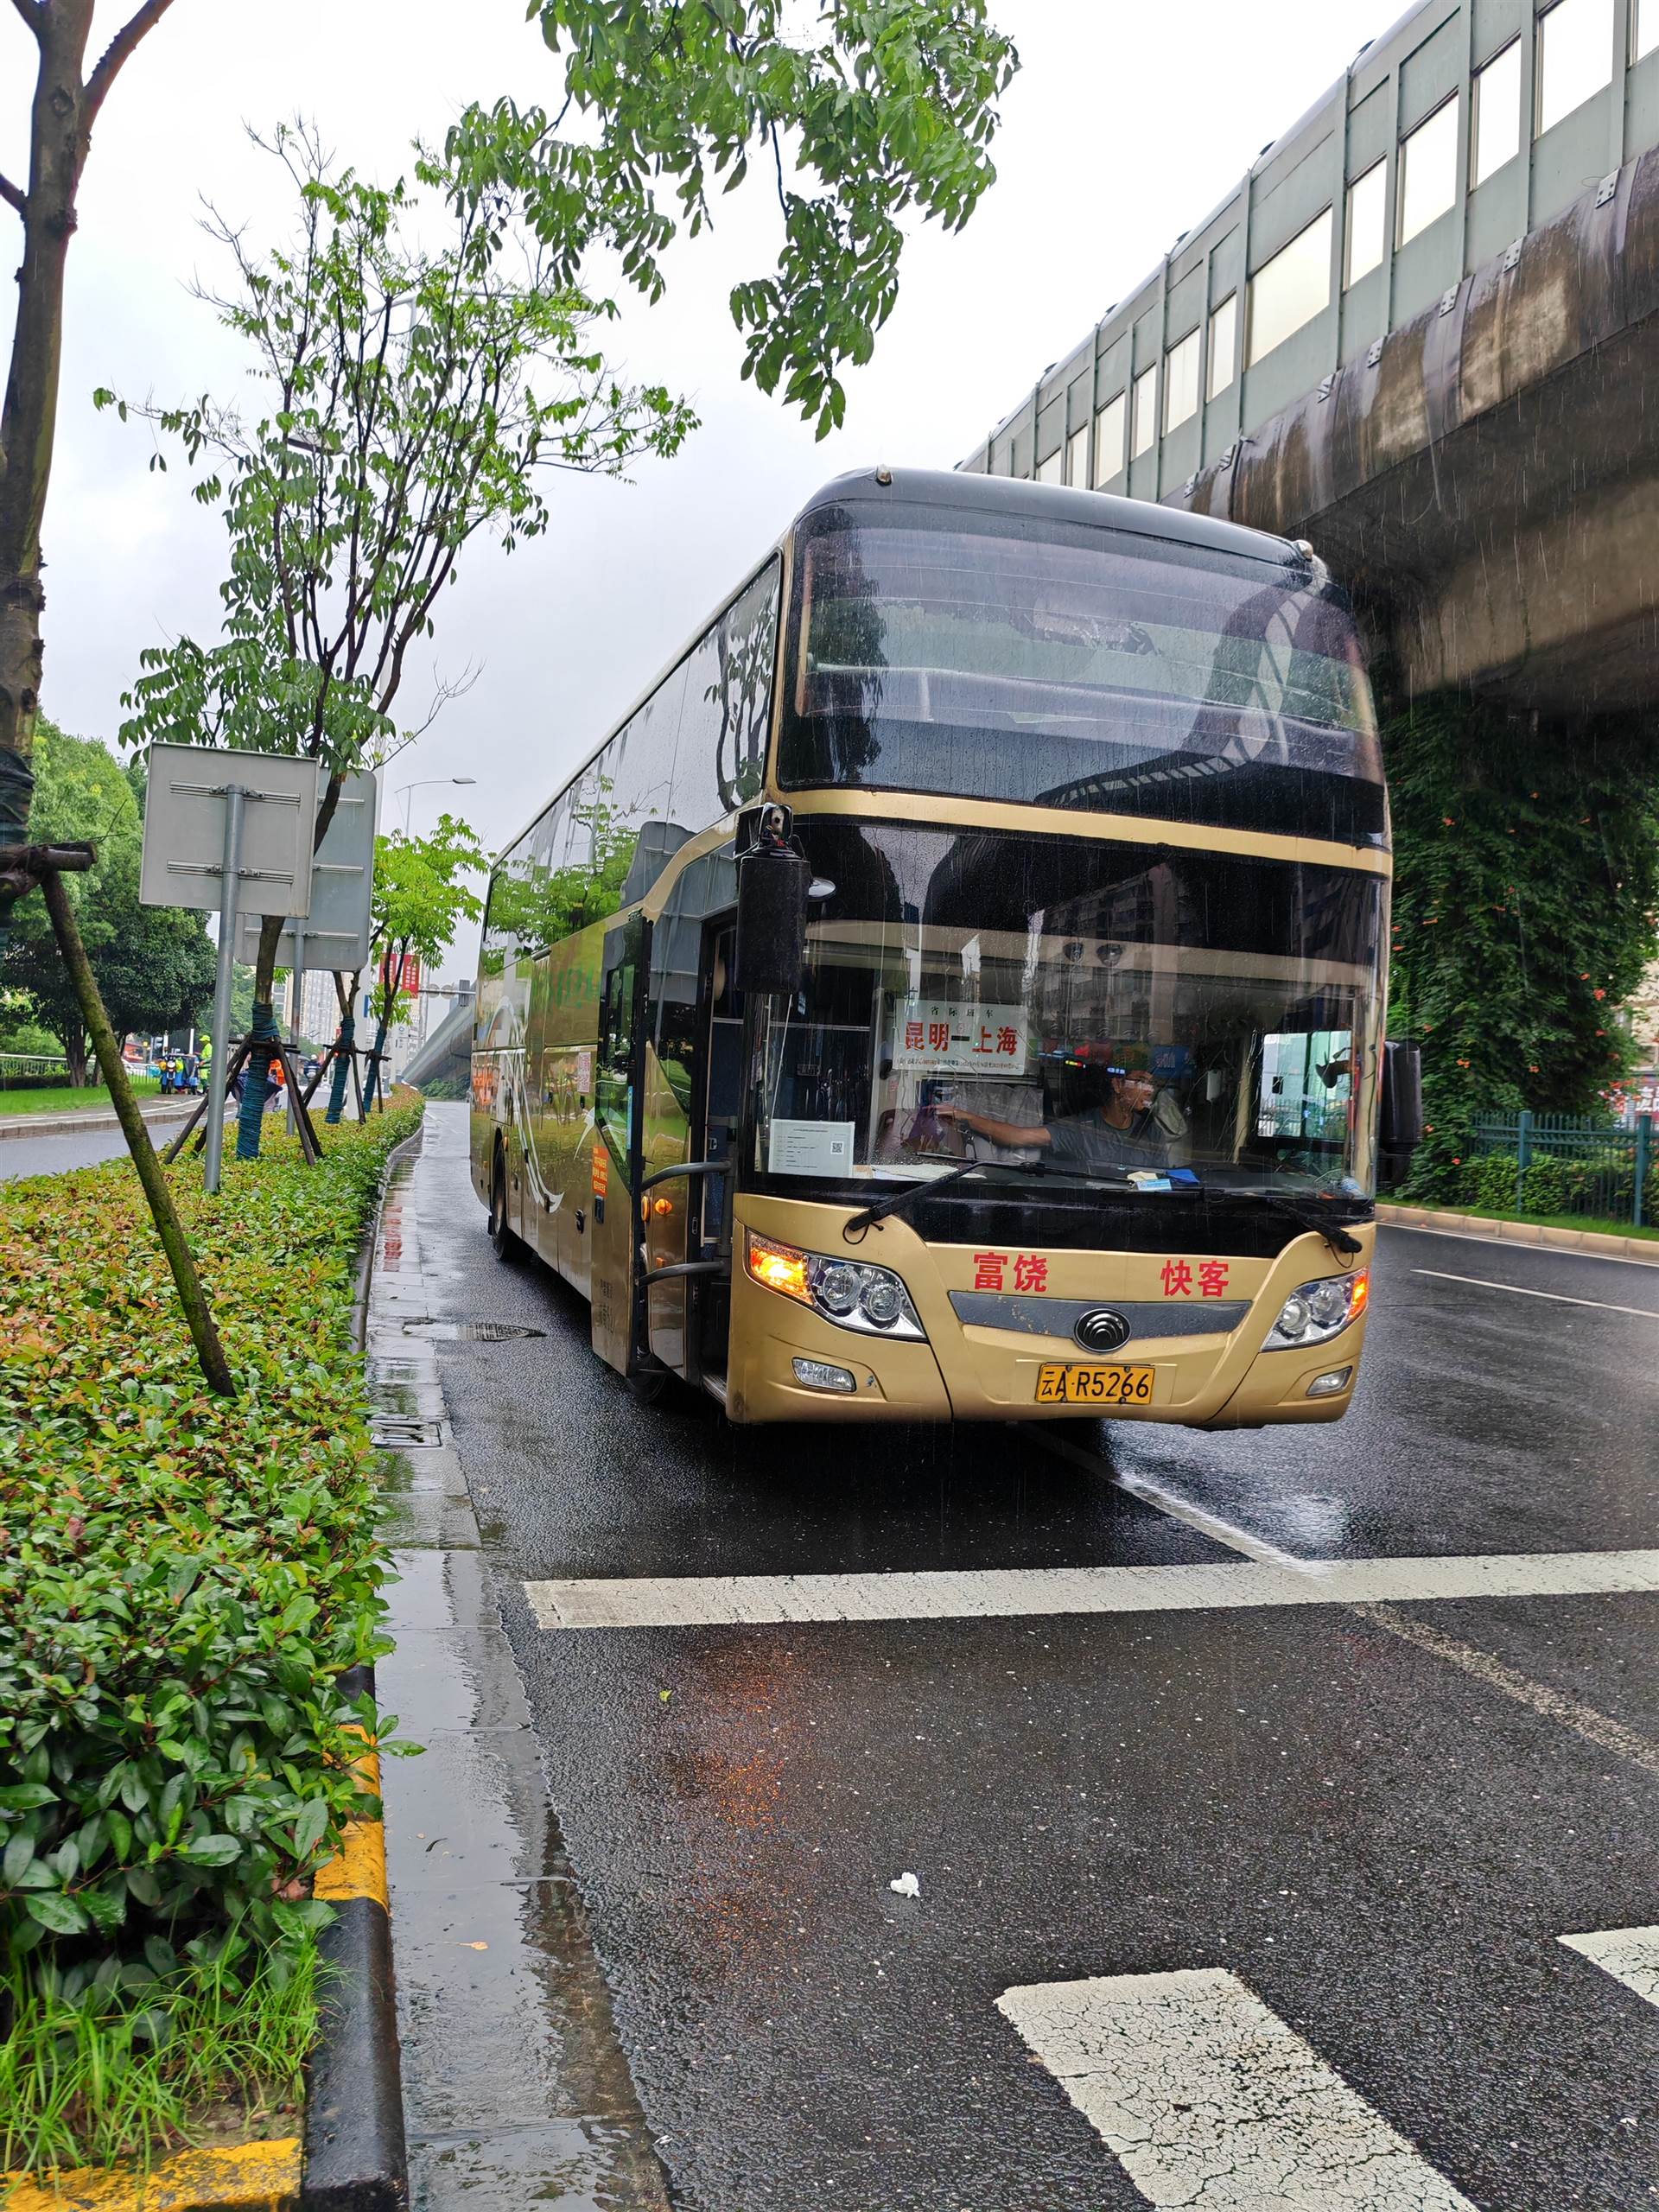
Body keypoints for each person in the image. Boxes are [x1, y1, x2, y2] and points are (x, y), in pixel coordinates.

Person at [938, 1058, 1171, 1174]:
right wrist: (964, 1116)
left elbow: (1164, 1182)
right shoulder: (1083, 1128)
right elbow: (1017, 1137)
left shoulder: (1153, 1133)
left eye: (1152, 1085)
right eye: (1140, 1082)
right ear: (1117, 1085)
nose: (1148, 1090)